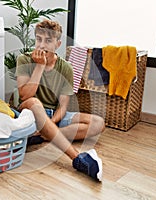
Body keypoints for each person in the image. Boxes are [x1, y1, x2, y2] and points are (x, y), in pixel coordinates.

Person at [15, 19, 105, 181]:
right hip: (28, 111)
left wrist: (50, 122)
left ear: (58, 44)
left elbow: (63, 106)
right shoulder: (24, 59)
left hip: (53, 115)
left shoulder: (66, 68)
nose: (41, 45)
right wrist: (40, 66)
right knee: (35, 103)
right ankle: (78, 159)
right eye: (38, 39)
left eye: (48, 41)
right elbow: (24, 96)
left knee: (98, 123)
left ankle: (42, 135)